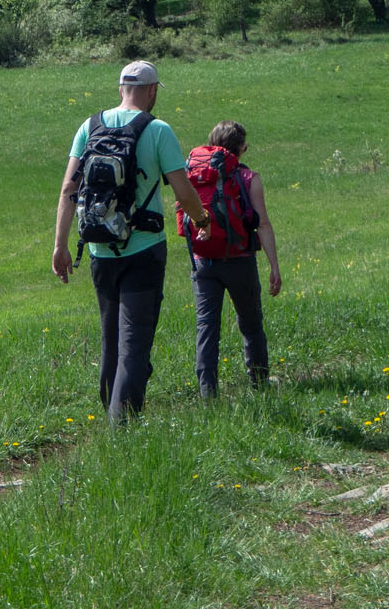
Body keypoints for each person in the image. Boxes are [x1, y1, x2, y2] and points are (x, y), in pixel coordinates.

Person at [52, 60, 210, 422]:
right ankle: (120, 428)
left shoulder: (89, 126)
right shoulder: (158, 130)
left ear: (121, 88)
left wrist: (60, 245)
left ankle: (110, 409)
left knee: (111, 339)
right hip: (143, 249)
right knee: (134, 342)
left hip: (98, 248)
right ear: (152, 90)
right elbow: (183, 191)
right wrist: (201, 220)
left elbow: (68, 189)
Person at [184, 121, 281, 396]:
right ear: (239, 149)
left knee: (206, 326)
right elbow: (262, 224)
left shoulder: (195, 172)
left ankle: (207, 393)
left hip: (203, 261)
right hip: (240, 259)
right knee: (250, 322)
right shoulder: (249, 179)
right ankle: (260, 383)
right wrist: (274, 266)